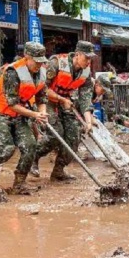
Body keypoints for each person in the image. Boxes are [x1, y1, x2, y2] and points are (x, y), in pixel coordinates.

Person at [0, 42, 48, 194]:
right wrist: (34, 114)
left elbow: (41, 97)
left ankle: (19, 184)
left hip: (19, 114)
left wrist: (42, 113)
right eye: (36, 61)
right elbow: (12, 104)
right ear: (27, 57)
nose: (39, 64)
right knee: (6, 150)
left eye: (41, 61)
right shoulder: (13, 72)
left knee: (30, 145)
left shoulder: (42, 72)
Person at [36, 41, 96, 182]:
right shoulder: (56, 63)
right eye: (86, 58)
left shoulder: (86, 72)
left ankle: (58, 171)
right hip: (47, 100)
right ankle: (34, 157)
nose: (88, 62)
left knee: (74, 135)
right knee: (56, 133)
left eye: (90, 58)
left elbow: (85, 99)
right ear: (77, 54)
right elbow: (42, 89)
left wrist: (88, 121)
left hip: (66, 101)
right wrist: (61, 99)